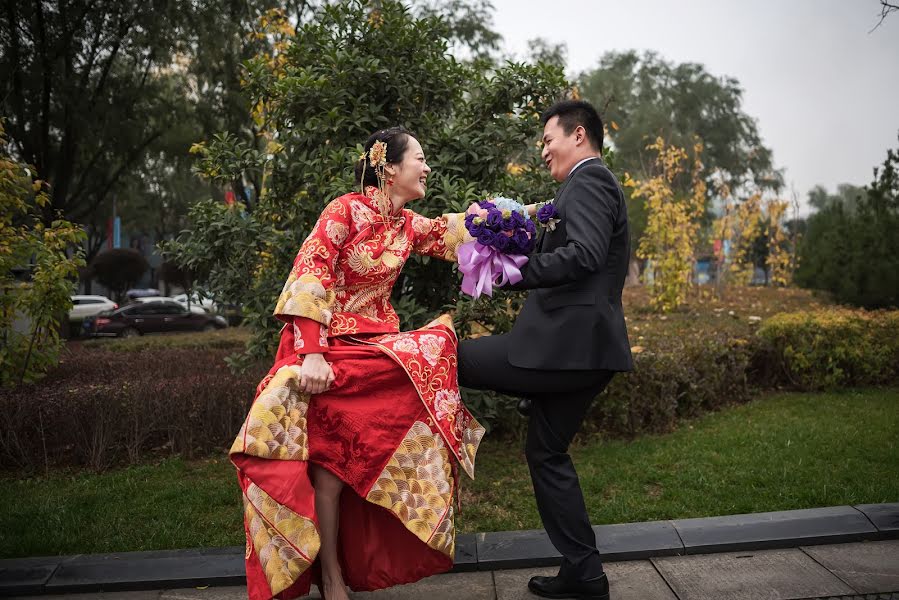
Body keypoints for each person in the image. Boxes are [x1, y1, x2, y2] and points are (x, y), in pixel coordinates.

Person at [230, 127, 485, 600]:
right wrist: (310, 353)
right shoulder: (344, 210)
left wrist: (525, 221)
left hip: (376, 350)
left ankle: (355, 559)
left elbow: (453, 232)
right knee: (325, 469)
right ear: (390, 168)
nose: (427, 168)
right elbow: (311, 272)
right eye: (421, 158)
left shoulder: (407, 224)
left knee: (429, 357)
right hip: (326, 349)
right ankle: (330, 576)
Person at [457, 100, 634, 600]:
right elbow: (575, 249)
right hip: (585, 352)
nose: (542, 150)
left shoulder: (591, 180)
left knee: (448, 357)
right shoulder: (581, 185)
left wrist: (513, 274)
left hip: (563, 350)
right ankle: (585, 574)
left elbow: (585, 254)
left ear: (579, 135)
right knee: (546, 451)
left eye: (546, 139)